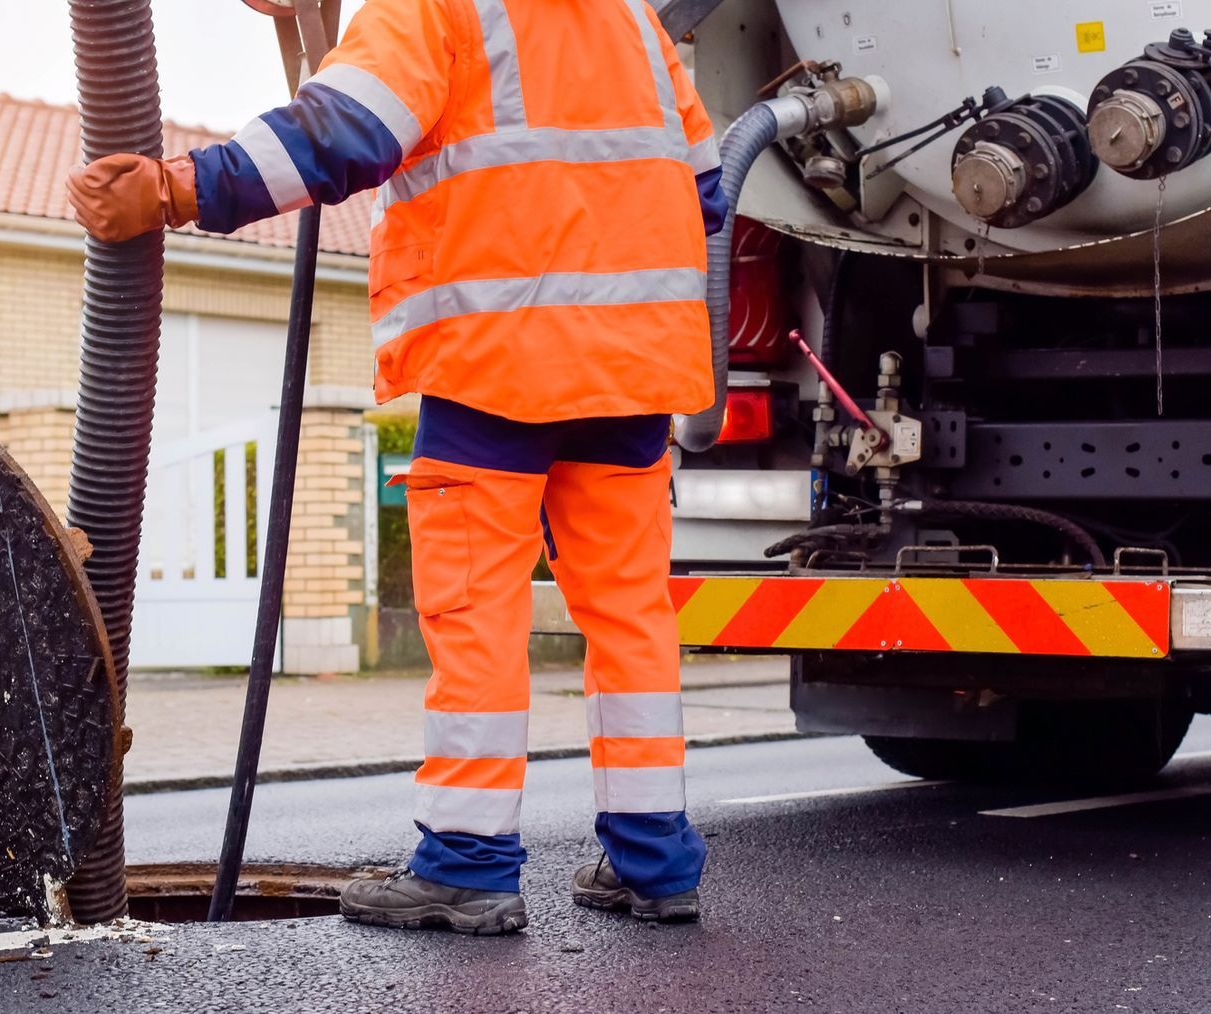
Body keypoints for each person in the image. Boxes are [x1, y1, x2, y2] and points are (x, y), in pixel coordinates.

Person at [67, 0, 726, 935]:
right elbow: (703, 189)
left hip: (496, 365)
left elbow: (346, 131)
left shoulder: (441, 5)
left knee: (476, 614)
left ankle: (468, 863)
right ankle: (655, 862)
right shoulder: (632, 22)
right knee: (631, 616)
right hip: (635, 372)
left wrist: (176, 189)